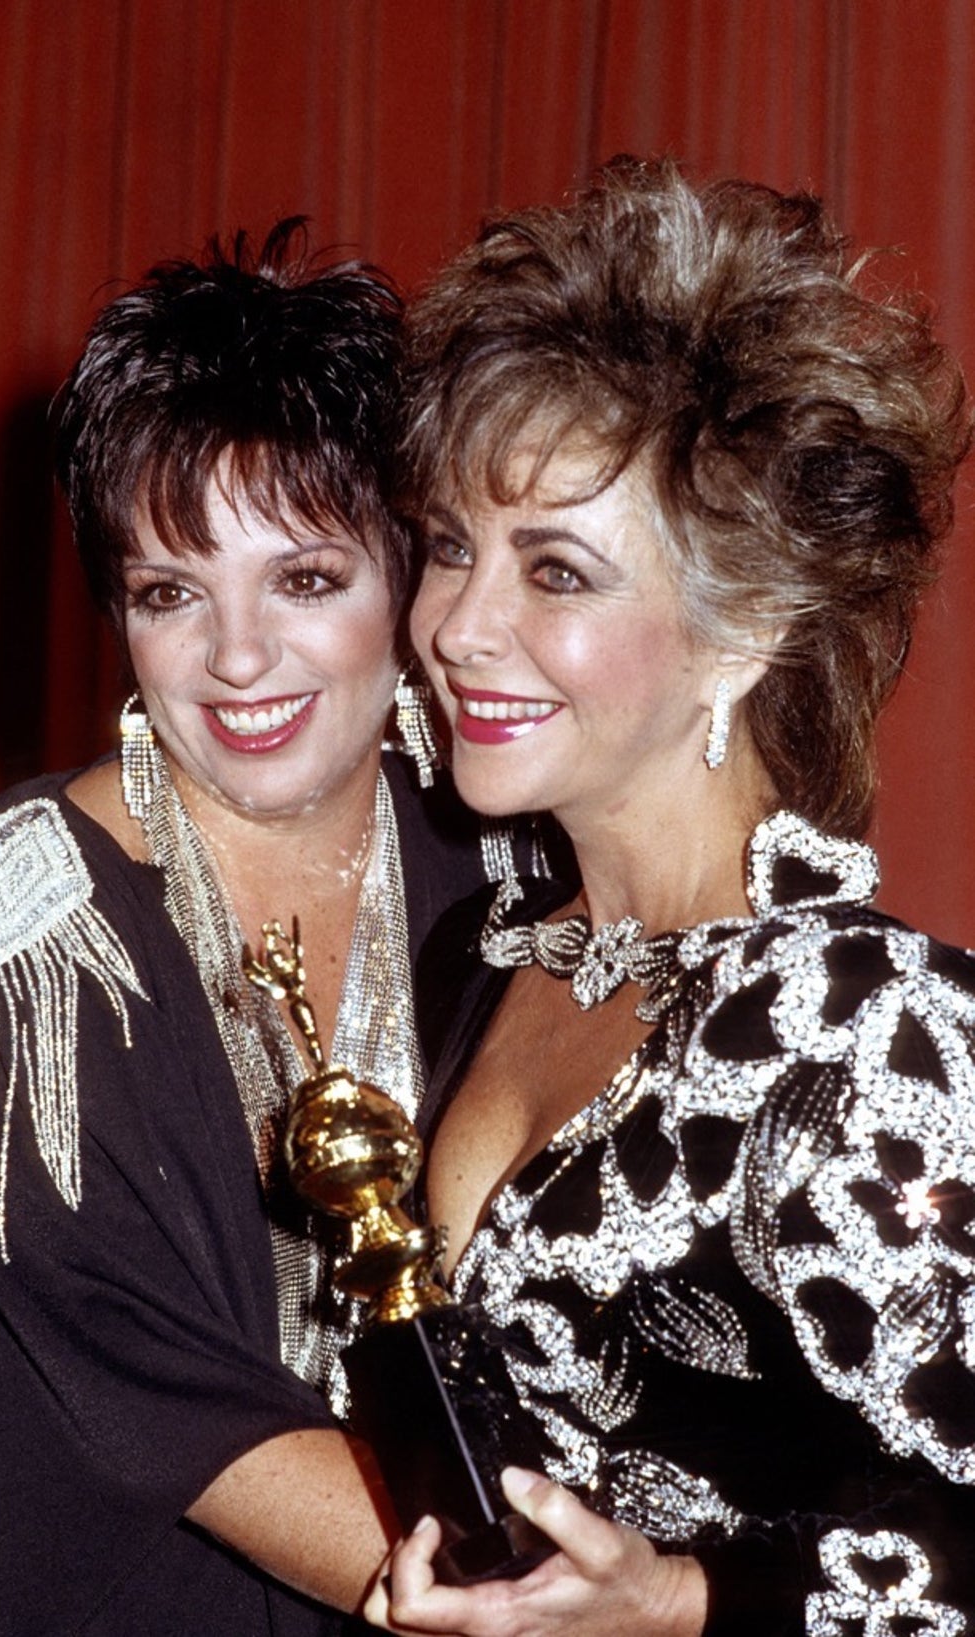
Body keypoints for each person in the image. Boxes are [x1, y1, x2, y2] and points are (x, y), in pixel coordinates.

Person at [374, 157, 975, 1636]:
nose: (459, 624)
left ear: (742, 626)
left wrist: (690, 1598)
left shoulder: (863, 1032)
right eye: (451, 547)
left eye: (556, 572)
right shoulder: (480, 949)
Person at [0, 223, 528, 1634]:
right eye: (169, 591)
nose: (236, 659)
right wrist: (568, 1594)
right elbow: (175, 1417)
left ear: (413, 580)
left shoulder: (520, 872)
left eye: (305, 580)